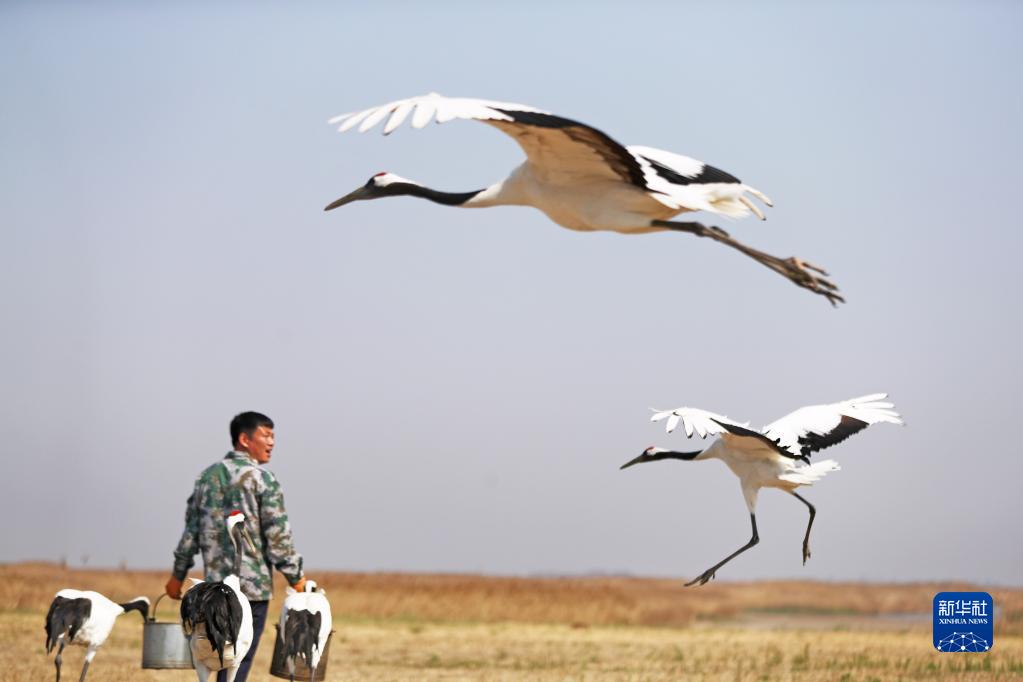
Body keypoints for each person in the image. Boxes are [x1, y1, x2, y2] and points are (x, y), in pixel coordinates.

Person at [165, 411, 306, 682]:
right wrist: (296, 578)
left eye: (273, 436)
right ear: (244, 439)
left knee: (210, 654)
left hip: (211, 592)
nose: (272, 442)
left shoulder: (205, 478)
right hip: (251, 591)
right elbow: (278, 538)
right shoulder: (263, 479)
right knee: (238, 659)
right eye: (266, 435)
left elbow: (190, 534)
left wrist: (177, 576)